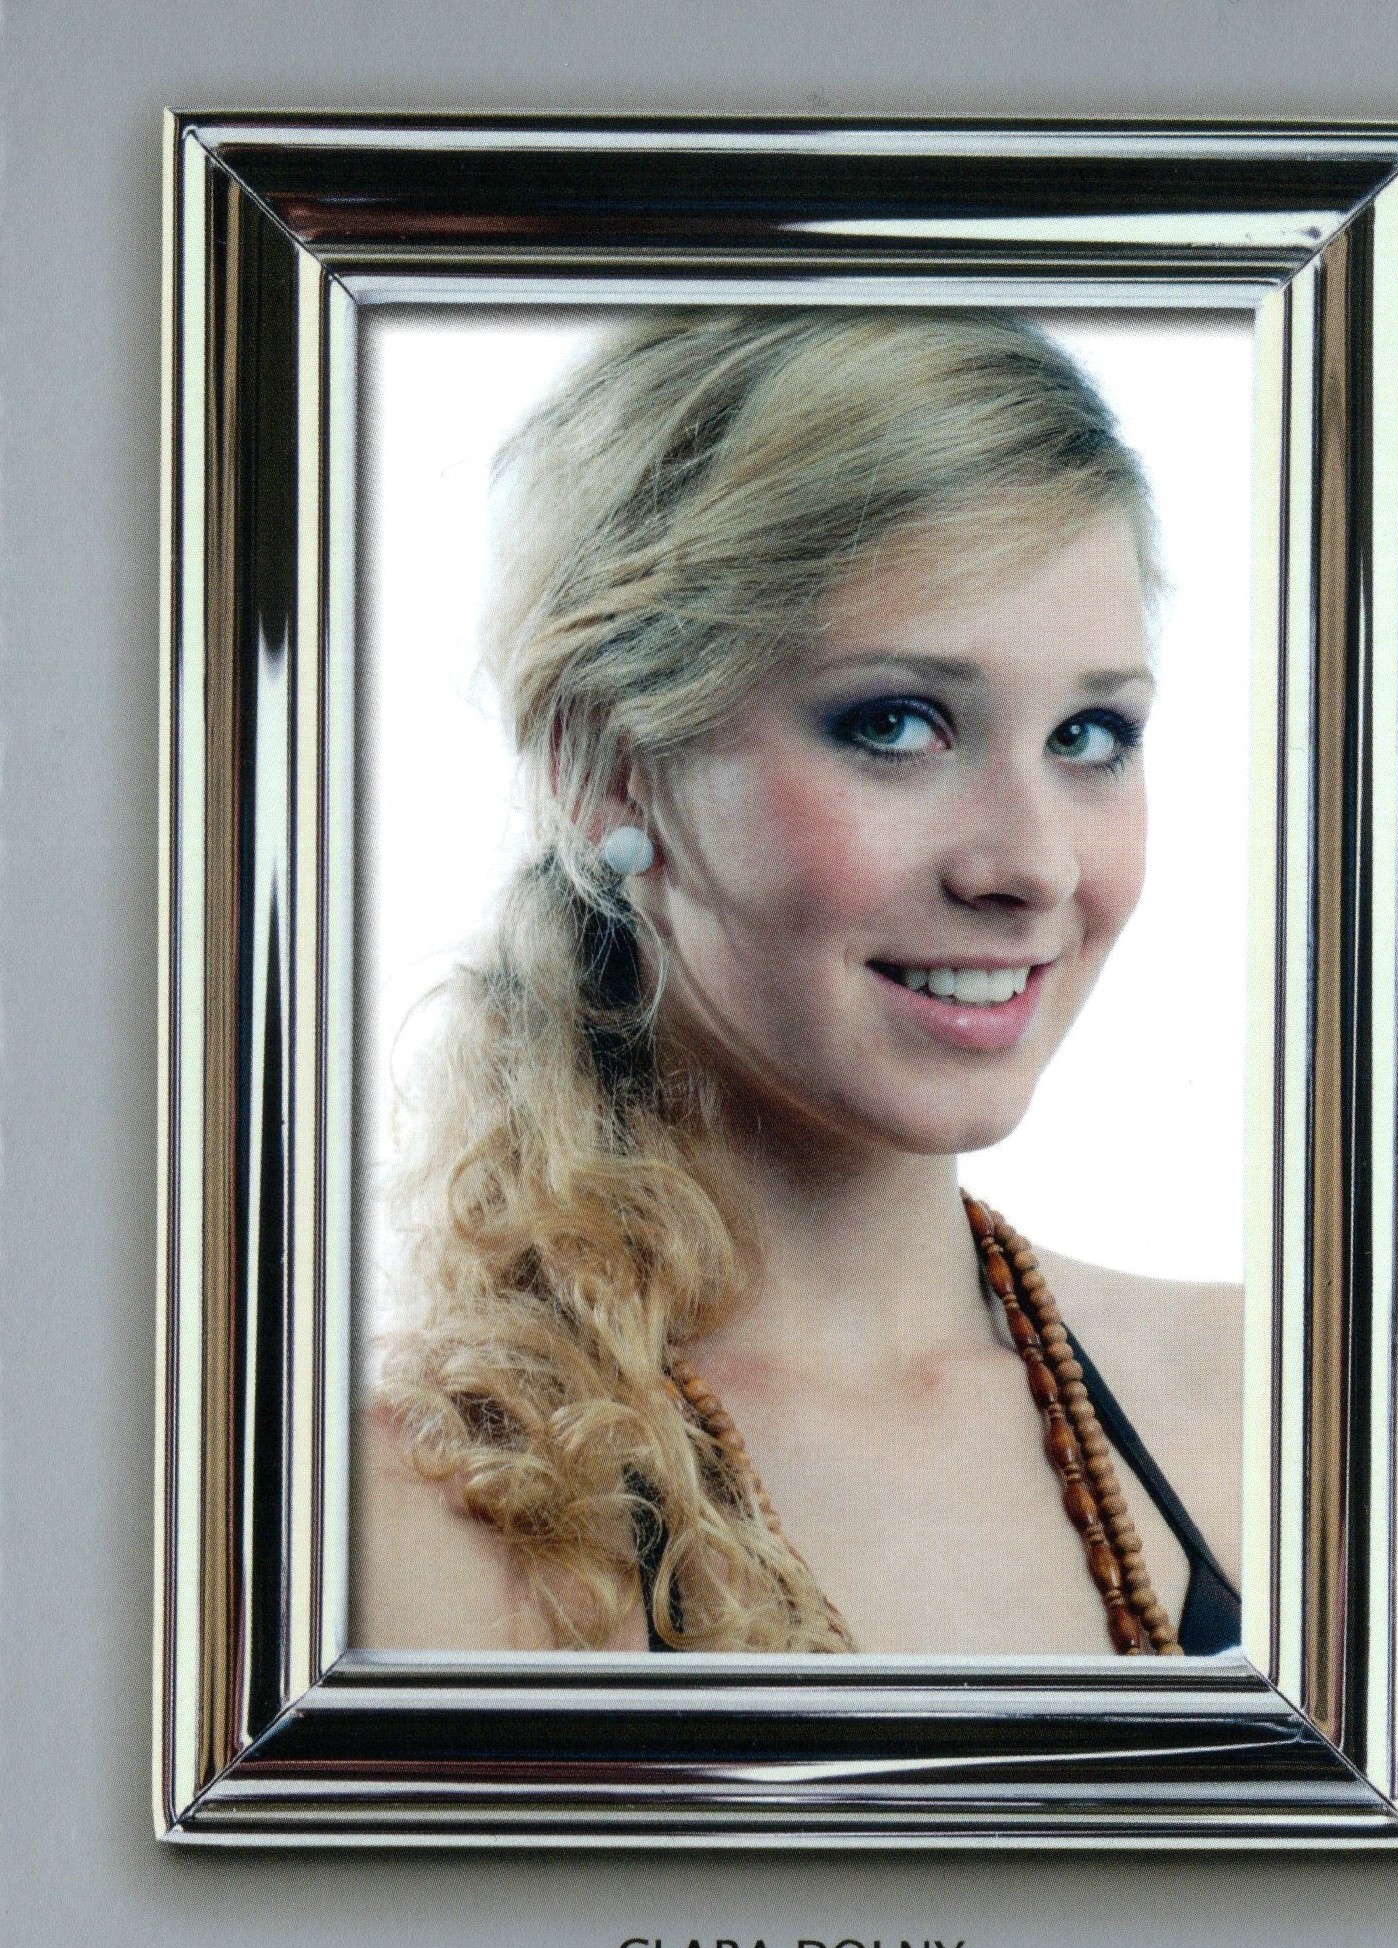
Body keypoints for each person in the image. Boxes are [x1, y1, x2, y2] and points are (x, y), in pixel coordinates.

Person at [354, 309, 1243, 1659]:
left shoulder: (1285, 1414)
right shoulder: (407, 1536)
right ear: (603, 765)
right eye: (895, 723)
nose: (1032, 865)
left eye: (1088, 735)